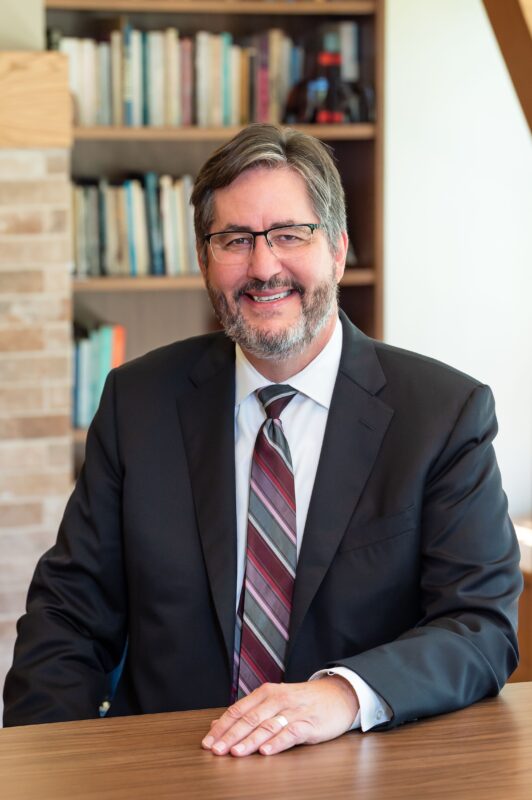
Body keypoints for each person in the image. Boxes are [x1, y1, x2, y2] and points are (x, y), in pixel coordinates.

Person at [3, 124, 522, 758]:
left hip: (363, 771)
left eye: (289, 234)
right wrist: (43, 768)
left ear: (337, 248)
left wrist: (342, 694)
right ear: (203, 260)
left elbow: (479, 628)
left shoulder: (443, 414)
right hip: (172, 767)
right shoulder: (137, 403)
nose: (263, 265)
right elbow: (68, 617)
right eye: (235, 240)